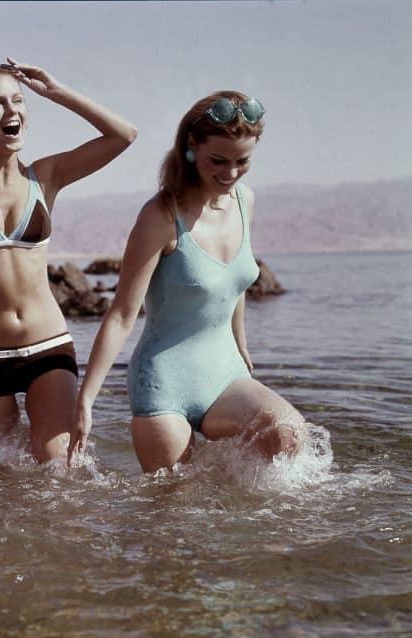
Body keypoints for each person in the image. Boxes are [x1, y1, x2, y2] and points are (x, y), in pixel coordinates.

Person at [68, 92, 306, 472]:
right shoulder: (160, 216)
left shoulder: (245, 201)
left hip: (226, 374)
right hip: (164, 386)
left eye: (242, 161)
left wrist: (241, 343)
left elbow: (232, 282)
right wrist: (85, 400)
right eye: (219, 161)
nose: (231, 173)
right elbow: (122, 314)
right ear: (192, 146)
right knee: (176, 505)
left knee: (288, 435)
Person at [0, 57, 137, 462]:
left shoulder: (46, 176)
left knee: (58, 475)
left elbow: (123, 135)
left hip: (48, 348)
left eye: (17, 100)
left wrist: (57, 91)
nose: (11, 110)